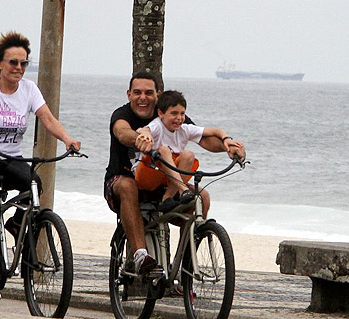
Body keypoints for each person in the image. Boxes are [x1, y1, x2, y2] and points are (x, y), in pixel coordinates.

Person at [0, 31, 81, 302]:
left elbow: (48, 119)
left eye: (23, 63)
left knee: (35, 186)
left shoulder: (29, 90)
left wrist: (68, 139)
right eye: (13, 62)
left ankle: (16, 224)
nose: (18, 68)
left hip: (11, 158)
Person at [104, 72, 245, 274]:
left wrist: (228, 146)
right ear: (129, 95)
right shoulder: (122, 114)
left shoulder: (173, 116)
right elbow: (122, 132)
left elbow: (204, 138)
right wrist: (140, 139)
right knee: (127, 185)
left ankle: (185, 267)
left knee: (202, 196)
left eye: (148, 92)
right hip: (123, 180)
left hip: (164, 185)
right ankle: (140, 255)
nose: (142, 97)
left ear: (157, 95)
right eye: (137, 92)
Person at [133, 90, 244, 212]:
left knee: (188, 155)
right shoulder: (158, 126)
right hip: (147, 174)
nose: (179, 118)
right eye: (174, 113)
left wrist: (227, 140)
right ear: (161, 113)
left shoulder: (184, 129)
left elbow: (215, 131)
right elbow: (144, 130)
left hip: (167, 179)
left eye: (182, 113)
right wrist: (145, 134)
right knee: (164, 150)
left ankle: (168, 198)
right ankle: (183, 190)